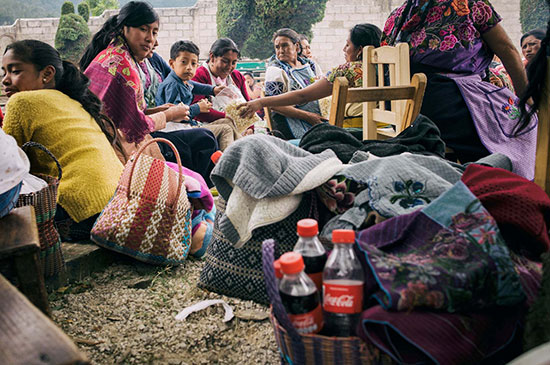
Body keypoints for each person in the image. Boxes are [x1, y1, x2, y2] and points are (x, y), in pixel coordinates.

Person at [380, 0, 536, 179]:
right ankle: (511, 183)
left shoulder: (397, 16)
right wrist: (528, 100)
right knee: (525, 124)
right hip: (440, 100)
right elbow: (507, 49)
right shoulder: (467, 4)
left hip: (398, 104)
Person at [79, 1, 218, 185]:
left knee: (204, 137)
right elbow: (135, 129)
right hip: (122, 148)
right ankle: (192, 196)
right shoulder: (122, 65)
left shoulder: (118, 55)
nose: (151, 39)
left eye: (154, 32)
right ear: (124, 28)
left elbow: (126, 114)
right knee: (202, 141)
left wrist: (159, 110)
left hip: (124, 137)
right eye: (143, 29)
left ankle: (197, 194)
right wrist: (168, 114)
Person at [2, 40, 123, 241]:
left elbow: (7, 165)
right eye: (3, 72)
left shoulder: (21, 102)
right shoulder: (73, 101)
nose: (5, 80)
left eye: (15, 71)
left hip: (80, 213)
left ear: (47, 74)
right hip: (113, 205)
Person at [239, 24, 382, 129]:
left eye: (347, 45)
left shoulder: (344, 70)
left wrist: (261, 102)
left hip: (353, 128)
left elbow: (302, 96)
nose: (344, 49)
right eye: (277, 47)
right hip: (382, 126)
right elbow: (277, 107)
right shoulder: (386, 68)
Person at [156, 40, 242, 151]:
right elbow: (176, 115)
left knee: (228, 122)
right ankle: (227, 165)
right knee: (225, 129)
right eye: (184, 62)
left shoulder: (183, 80)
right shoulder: (173, 85)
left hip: (186, 127)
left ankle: (241, 151)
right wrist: (198, 108)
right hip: (176, 131)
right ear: (172, 64)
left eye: (193, 64)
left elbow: (196, 86)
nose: (189, 68)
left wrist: (213, 90)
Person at [262, 28, 326, 139]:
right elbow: (273, 104)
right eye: (277, 47)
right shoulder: (275, 70)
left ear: (296, 46)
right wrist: (308, 117)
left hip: (317, 118)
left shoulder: (310, 65)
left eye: (285, 45)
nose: (281, 50)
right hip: (289, 124)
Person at [191, 38, 251, 124]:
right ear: (212, 57)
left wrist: (249, 128)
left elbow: (248, 106)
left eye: (234, 63)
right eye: (225, 61)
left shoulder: (237, 76)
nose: (229, 67)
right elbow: (199, 112)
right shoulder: (199, 75)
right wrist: (228, 118)